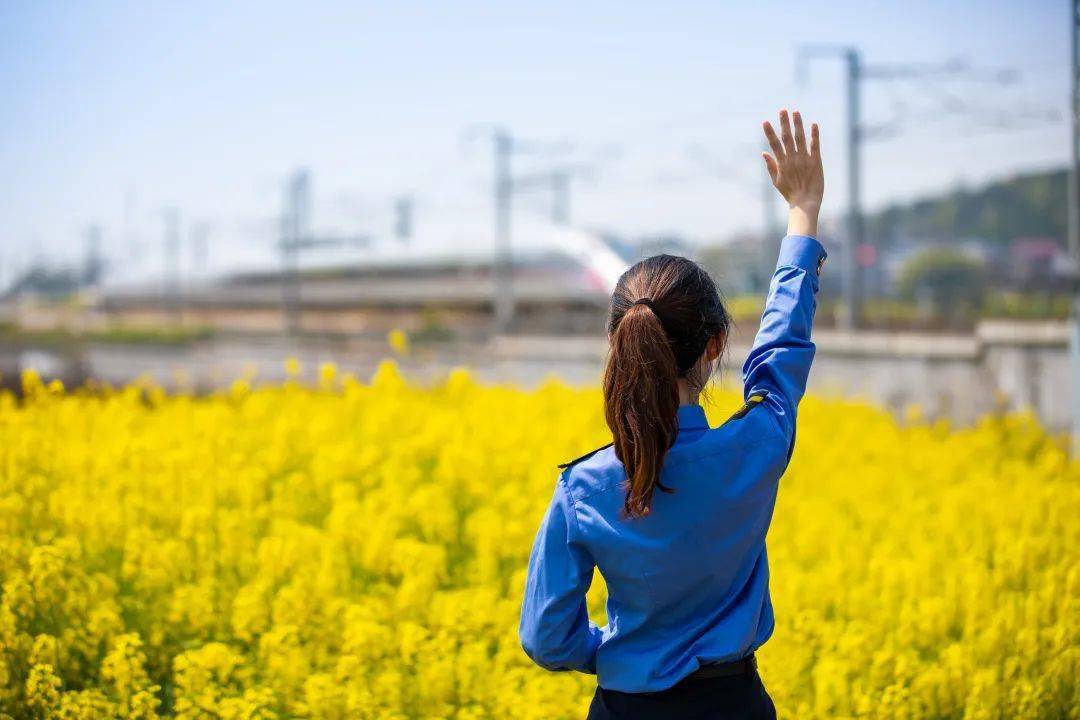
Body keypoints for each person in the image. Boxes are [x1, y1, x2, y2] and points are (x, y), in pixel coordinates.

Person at [519, 109, 827, 720]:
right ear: (715, 347)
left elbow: (546, 637)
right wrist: (803, 212)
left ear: (618, 346)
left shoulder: (583, 489)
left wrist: (616, 652)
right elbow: (780, 352)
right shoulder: (757, 446)